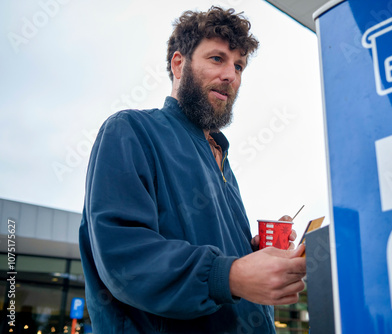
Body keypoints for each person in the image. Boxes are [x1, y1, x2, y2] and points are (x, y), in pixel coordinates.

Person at [79, 6, 306, 334]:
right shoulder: (131, 130)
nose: (231, 75)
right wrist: (228, 275)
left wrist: (254, 255)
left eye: (239, 65)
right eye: (217, 58)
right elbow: (123, 258)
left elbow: (222, 264)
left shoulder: (222, 158)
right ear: (179, 64)